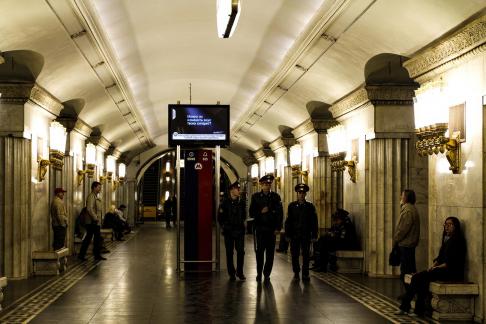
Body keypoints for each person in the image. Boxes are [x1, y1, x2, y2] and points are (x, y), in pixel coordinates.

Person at [396, 216, 466, 316]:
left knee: (417, 278)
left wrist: (436, 268)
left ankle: (407, 307)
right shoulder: (447, 239)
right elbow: (440, 257)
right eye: (445, 224)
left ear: (456, 226)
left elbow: (452, 262)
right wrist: (434, 265)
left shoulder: (458, 240)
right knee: (420, 280)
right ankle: (417, 309)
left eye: (449, 224)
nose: (446, 227)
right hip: (441, 270)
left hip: (451, 272)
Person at [250, 174, 283, 282]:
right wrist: (260, 212)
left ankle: (267, 273)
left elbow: (279, 213)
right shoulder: (255, 197)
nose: (267, 186)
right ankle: (259, 273)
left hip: (271, 230)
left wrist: (278, 227)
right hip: (260, 230)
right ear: (261, 185)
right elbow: (251, 212)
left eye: (269, 184)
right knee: (259, 253)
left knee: (270, 255)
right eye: (265, 184)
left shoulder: (275, 197)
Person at [285, 183, 318, 281]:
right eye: (300, 192)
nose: (301, 194)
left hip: (306, 234)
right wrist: (287, 234)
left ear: (305, 194)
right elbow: (288, 221)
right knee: (294, 254)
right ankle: (296, 272)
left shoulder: (310, 206)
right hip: (295, 234)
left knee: (306, 255)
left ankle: (305, 273)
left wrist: (314, 234)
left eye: (303, 193)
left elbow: (314, 221)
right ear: (297, 193)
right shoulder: (292, 206)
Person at [393, 189, 420, 296]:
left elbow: (403, 229)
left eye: (402, 195)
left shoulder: (408, 210)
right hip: (407, 244)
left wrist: (396, 239)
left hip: (406, 244)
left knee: (406, 272)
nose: (400, 197)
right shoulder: (409, 209)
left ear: (406, 198)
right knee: (409, 270)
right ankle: (409, 294)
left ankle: (410, 294)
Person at [218, 181, 246, 281]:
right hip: (229, 232)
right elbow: (220, 217)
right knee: (229, 253)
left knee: (241, 252)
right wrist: (225, 226)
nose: (239, 190)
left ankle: (240, 272)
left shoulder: (241, 202)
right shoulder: (224, 203)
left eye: (239, 189)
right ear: (231, 190)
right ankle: (231, 273)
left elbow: (244, 215)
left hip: (239, 231)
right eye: (237, 189)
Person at [78, 181, 106, 261]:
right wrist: (95, 218)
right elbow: (89, 209)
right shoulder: (91, 197)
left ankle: (83, 255)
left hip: (94, 221)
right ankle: (96, 255)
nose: (100, 189)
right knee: (95, 238)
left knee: (90, 238)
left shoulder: (95, 197)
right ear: (94, 187)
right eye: (98, 187)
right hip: (92, 222)